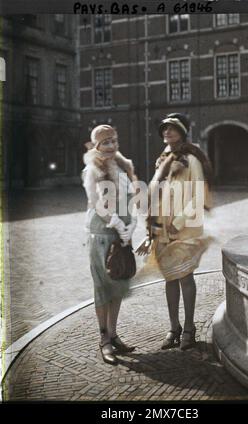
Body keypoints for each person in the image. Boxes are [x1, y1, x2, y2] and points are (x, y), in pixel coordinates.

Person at [137, 113, 213, 351]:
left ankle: (189, 328)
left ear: (182, 132)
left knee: (185, 276)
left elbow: (198, 196)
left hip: (185, 229)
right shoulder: (161, 161)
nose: (167, 132)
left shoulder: (192, 160)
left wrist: (176, 223)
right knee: (170, 278)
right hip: (163, 231)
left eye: (172, 128)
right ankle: (174, 327)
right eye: (164, 129)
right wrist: (151, 232)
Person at [82, 124, 137, 365]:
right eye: (105, 142)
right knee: (103, 288)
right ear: (96, 145)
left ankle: (114, 335)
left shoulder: (124, 166)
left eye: (113, 140)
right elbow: (96, 204)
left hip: (122, 235)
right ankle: (104, 340)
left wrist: (130, 226)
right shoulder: (92, 170)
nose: (111, 145)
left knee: (118, 286)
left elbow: (131, 200)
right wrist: (117, 224)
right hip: (102, 234)